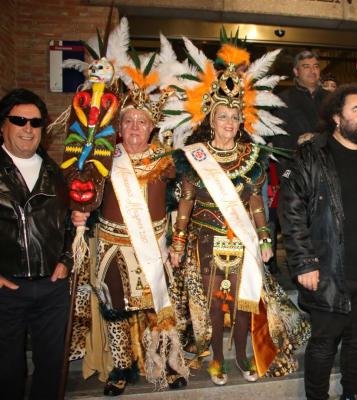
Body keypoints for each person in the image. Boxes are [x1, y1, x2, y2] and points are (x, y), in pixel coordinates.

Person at [165, 39, 309, 386]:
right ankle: (216, 359)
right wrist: (178, 243)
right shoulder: (193, 157)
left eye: (234, 116)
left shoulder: (251, 156)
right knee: (215, 304)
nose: (229, 122)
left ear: (240, 119)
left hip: (241, 240)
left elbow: (256, 204)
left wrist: (264, 239)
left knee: (245, 302)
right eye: (222, 116)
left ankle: (243, 354)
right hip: (204, 239)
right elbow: (184, 203)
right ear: (211, 119)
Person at [70, 34, 189, 395]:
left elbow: (186, 196)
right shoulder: (104, 159)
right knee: (116, 310)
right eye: (128, 122)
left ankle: (166, 365)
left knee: (158, 310)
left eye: (141, 122)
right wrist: (79, 213)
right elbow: (82, 191)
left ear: (153, 127)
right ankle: (121, 367)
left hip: (153, 244)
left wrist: (179, 238)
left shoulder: (168, 161)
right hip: (110, 247)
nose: (134, 127)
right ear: (118, 127)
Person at [279, 84, 357, 400]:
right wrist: (303, 262)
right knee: (324, 342)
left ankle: (352, 393)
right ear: (336, 118)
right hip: (327, 270)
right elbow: (291, 211)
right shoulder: (312, 155)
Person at [0, 88, 72, 400]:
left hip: (52, 289)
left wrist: (66, 260)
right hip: (6, 289)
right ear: (3, 125)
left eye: (35, 122)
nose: (28, 128)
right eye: (19, 120)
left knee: (52, 368)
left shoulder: (56, 173)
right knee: (7, 370)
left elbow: (69, 224)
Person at [271, 50, 328, 163]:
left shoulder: (332, 99)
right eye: (306, 67)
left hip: (328, 164)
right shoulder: (282, 100)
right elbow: (278, 139)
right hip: (296, 165)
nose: (312, 71)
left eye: (316, 66)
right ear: (296, 71)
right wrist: (298, 141)